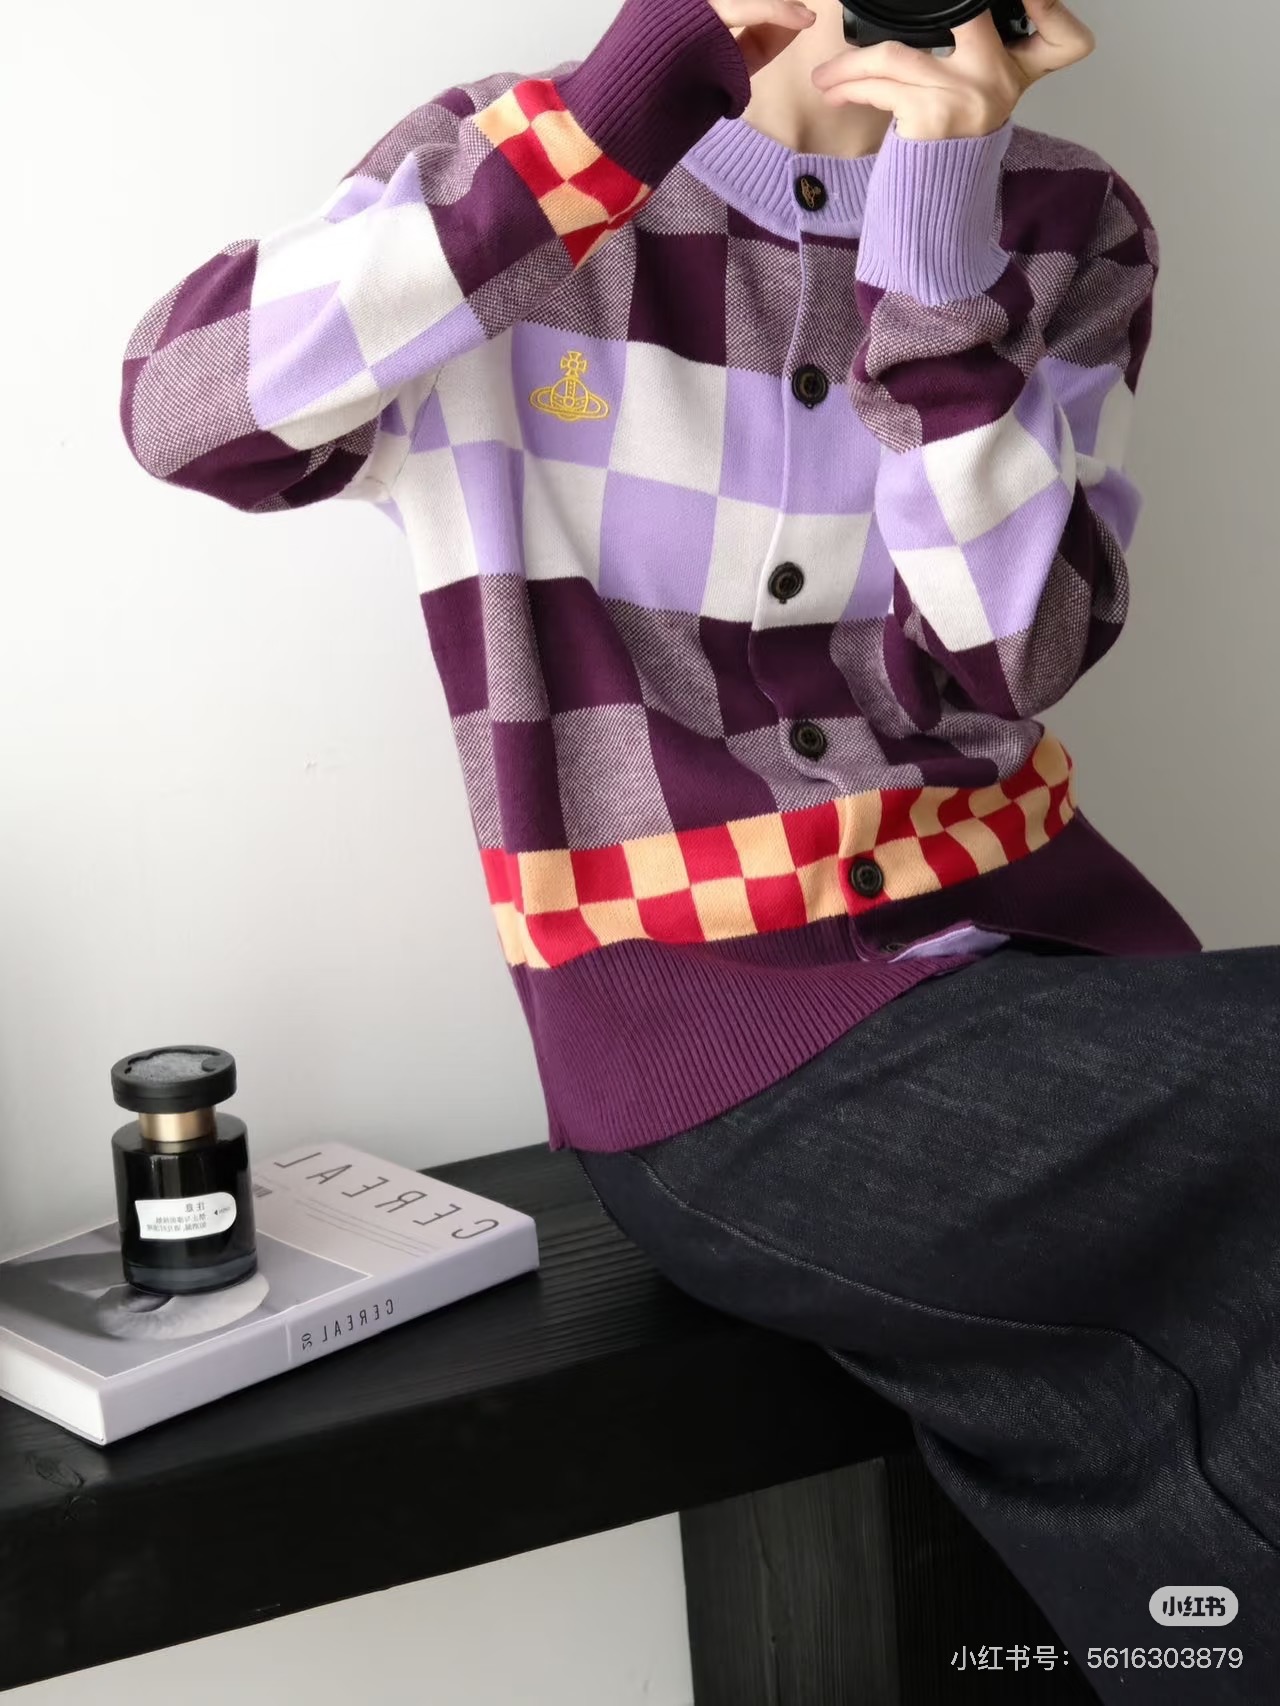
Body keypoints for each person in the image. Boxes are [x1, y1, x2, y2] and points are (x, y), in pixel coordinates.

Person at [119, 0, 1280, 1695]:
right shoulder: (519, 174)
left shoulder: (1064, 219)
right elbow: (184, 412)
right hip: (711, 1047)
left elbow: (1013, 651)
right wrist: (615, 111)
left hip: (1060, 968)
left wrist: (936, 253)